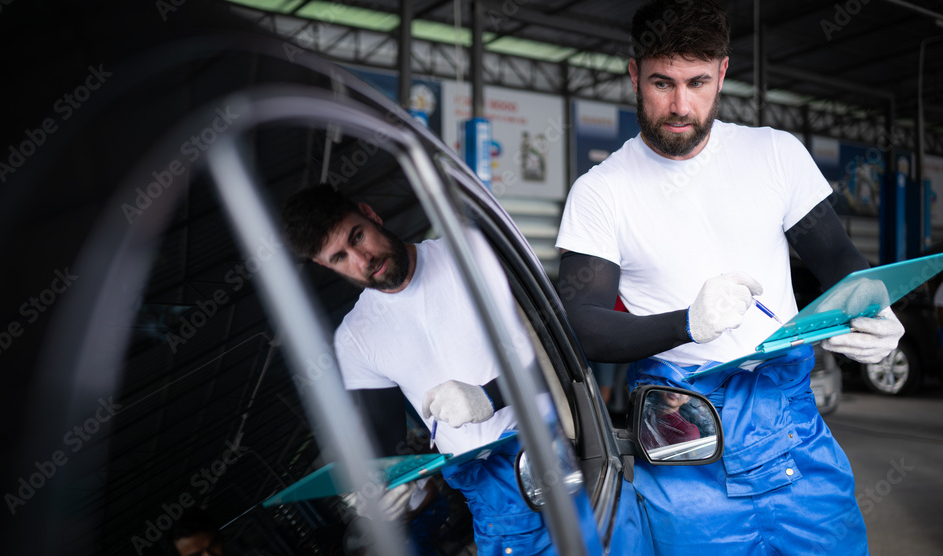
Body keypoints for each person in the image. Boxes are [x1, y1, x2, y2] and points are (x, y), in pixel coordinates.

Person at [555, 1, 904, 554]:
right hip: (683, 433)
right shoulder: (601, 191)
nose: (679, 105)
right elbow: (582, 324)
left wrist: (877, 308)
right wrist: (687, 323)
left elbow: (837, 257)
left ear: (721, 72)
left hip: (791, 424)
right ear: (633, 74)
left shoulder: (775, 154)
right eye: (661, 83)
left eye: (696, 82)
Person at [282, 184, 554, 556]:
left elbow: (560, 351)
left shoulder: (471, 251)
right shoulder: (355, 339)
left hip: (555, 447)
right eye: (340, 257)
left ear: (371, 214)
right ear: (323, 265)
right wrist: (380, 486)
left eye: (358, 236)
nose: (363, 260)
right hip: (491, 500)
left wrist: (490, 396)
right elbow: (384, 442)